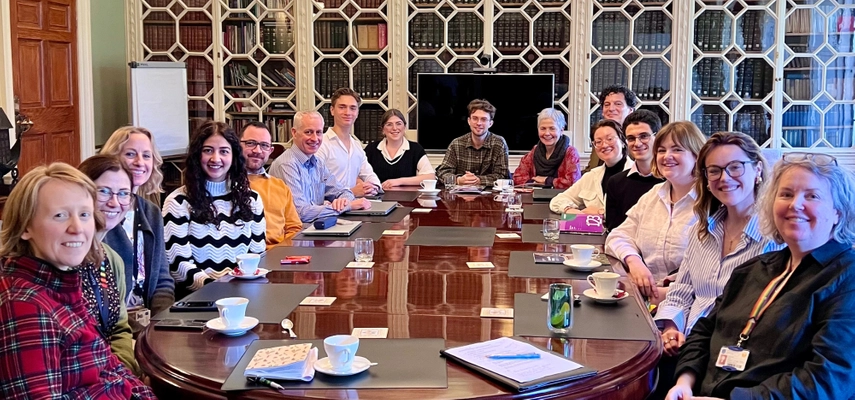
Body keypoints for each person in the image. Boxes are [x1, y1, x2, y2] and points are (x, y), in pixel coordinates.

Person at [667, 153, 855, 399]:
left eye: (812, 196)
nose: (795, 204)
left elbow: (828, 380)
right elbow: (705, 330)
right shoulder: (754, 268)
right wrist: (684, 382)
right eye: (786, 194)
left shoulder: (846, 278)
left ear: (838, 213)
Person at [0, 163, 155, 399]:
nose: (77, 228)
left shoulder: (64, 286)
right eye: (60, 215)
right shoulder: (24, 305)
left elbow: (111, 369)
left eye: (84, 214)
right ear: (25, 227)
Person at [650, 132, 782, 399]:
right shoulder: (703, 229)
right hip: (687, 348)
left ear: (757, 169)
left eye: (735, 167)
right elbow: (682, 290)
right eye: (715, 170)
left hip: (731, 362)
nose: (724, 178)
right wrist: (672, 328)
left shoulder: (775, 239)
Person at [606, 121, 707, 303]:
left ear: (697, 155)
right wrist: (634, 262)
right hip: (645, 300)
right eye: (661, 150)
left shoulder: (711, 203)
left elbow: (713, 275)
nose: (667, 156)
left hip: (690, 308)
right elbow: (618, 236)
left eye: (677, 149)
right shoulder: (653, 195)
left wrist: (664, 294)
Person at [163, 121, 266, 297]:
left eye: (224, 151)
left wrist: (239, 290)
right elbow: (179, 266)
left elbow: (257, 256)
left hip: (243, 296)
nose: (216, 159)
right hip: (196, 300)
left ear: (234, 157)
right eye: (208, 150)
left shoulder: (252, 200)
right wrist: (217, 290)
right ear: (197, 155)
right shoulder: (177, 202)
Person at [78, 155, 144, 376]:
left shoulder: (112, 259)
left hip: (114, 374)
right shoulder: (64, 257)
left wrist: (123, 371)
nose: (115, 203)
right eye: (104, 191)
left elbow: (119, 329)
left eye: (124, 194)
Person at [100, 126, 175, 319]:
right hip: (114, 322)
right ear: (113, 158)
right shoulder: (103, 212)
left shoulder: (151, 212)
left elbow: (162, 280)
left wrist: (162, 322)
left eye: (147, 155)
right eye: (131, 154)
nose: (140, 162)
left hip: (148, 319)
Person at [270, 110, 372, 222]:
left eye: (318, 132)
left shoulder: (317, 163)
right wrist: (348, 206)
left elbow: (343, 191)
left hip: (315, 229)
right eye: (308, 132)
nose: (315, 139)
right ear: (294, 133)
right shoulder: (287, 164)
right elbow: (300, 213)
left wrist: (343, 201)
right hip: (293, 235)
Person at [240, 122, 303, 248]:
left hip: (279, 257)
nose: (257, 150)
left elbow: (294, 228)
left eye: (264, 145)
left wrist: (280, 253)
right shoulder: (225, 184)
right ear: (237, 146)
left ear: (271, 150)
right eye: (250, 143)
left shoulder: (280, 186)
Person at [549, 119, 631, 215]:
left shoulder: (637, 174)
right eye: (598, 142)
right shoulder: (592, 176)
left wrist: (602, 213)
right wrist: (572, 211)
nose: (604, 145)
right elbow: (556, 201)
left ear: (623, 142)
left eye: (610, 139)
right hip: (592, 228)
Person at [604, 109, 665, 231]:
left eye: (644, 136)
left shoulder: (671, 180)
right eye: (631, 138)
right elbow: (614, 231)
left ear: (657, 137)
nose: (637, 143)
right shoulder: (616, 183)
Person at [317, 87, 382, 197]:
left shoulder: (356, 146)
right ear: (332, 110)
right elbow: (316, 186)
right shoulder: (321, 144)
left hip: (354, 206)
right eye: (342, 107)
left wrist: (373, 187)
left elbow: (369, 174)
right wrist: (351, 192)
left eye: (353, 108)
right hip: (328, 209)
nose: (348, 112)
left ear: (357, 112)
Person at [436, 99, 510, 187]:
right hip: (459, 197)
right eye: (475, 118)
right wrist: (458, 180)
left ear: (490, 123)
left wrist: (478, 180)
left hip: (489, 197)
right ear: (469, 121)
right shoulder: (456, 144)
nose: (479, 123)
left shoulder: (499, 143)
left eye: (483, 119)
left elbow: (502, 176)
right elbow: (443, 172)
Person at [364, 108, 436, 188]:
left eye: (398, 123)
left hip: (408, 199)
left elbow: (430, 177)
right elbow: (357, 176)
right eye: (389, 124)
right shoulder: (371, 149)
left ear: (404, 127)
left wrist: (399, 181)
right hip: (377, 199)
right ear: (383, 129)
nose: (394, 128)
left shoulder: (415, 149)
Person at [512, 107, 581, 189]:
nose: (547, 133)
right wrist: (534, 183)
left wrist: (547, 180)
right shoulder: (534, 151)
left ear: (561, 130)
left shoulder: (571, 153)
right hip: (535, 199)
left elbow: (573, 182)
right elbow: (517, 177)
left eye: (552, 128)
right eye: (543, 129)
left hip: (562, 200)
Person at [584, 85, 639, 173]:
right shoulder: (600, 135)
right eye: (607, 105)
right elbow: (592, 169)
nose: (611, 109)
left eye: (618, 104)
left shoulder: (637, 138)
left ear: (630, 110)